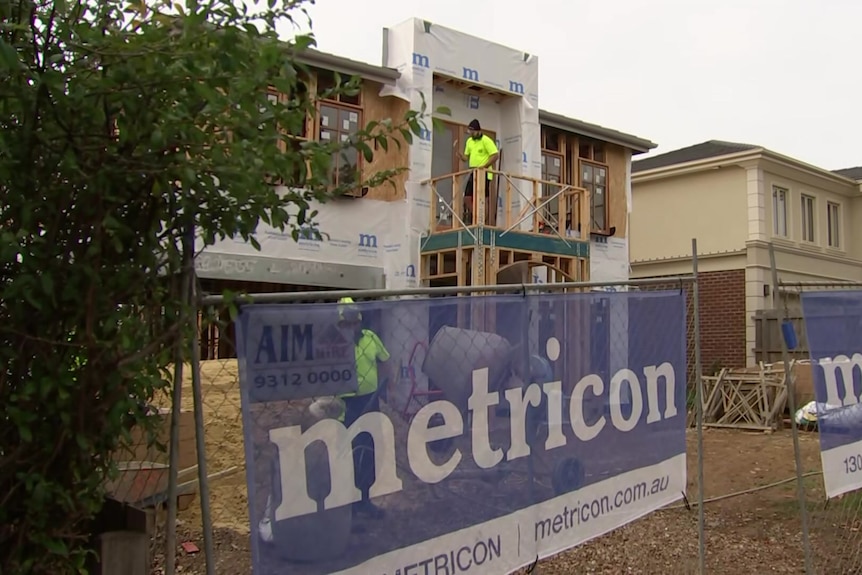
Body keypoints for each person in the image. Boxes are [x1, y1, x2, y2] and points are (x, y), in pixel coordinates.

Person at [335, 297, 392, 520]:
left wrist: (387, 386)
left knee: (367, 450)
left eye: (354, 322)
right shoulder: (332, 345)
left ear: (359, 321)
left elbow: (386, 361)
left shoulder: (370, 339)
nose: (351, 327)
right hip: (345, 404)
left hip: (370, 401)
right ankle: (347, 506)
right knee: (346, 453)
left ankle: (364, 500)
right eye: (346, 323)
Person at [454, 119, 499, 225]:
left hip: (484, 172)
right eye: (470, 132)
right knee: (467, 197)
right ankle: (477, 216)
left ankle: (484, 221)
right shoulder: (469, 141)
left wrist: (484, 166)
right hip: (473, 171)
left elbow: (495, 155)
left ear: (479, 131)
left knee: (483, 198)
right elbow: (466, 157)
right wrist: (461, 156)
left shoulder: (486, 140)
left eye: (473, 132)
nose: (472, 134)